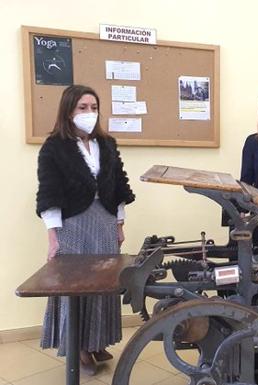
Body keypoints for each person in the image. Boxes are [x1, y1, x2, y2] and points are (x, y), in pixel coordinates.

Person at [36, 85, 135, 375]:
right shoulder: (54, 147)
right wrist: (53, 236)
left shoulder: (106, 143)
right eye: (82, 107)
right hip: (74, 223)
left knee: (104, 283)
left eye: (93, 107)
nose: (89, 113)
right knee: (77, 285)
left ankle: (97, 340)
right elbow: (49, 192)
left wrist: (119, 222)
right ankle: (78, 347)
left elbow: (118, 184)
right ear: (68, 111)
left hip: (104, 220)